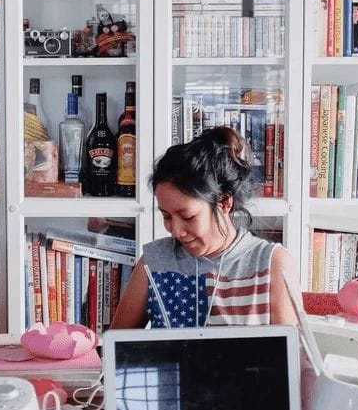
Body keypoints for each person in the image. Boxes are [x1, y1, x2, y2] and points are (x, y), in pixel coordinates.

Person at [110, 127, 296, 329]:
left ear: (224, 202)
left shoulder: (271, 262)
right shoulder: (154, 261)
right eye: (166, 216)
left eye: (187, 216)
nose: (176, 230)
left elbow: (292, 355)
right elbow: (118, 347)